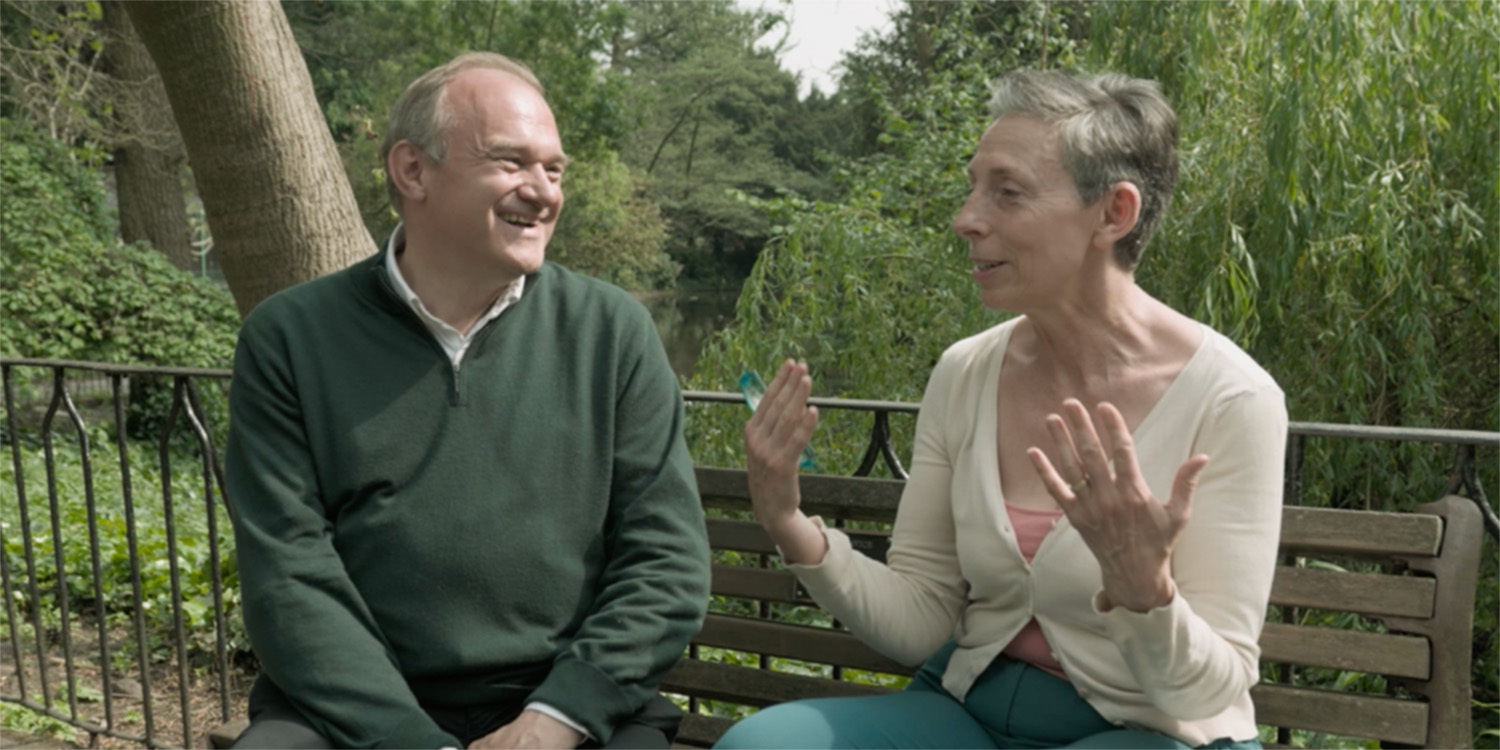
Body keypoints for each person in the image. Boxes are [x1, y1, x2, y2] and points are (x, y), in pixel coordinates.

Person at [718, 70, 1287, 749]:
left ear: (1114, 213)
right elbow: (922, 617)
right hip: (970, 714)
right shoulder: (965, 372)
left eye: (1007, 192)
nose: (966, 218)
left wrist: (1146, 591)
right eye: (973, 186)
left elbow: (1209, 692)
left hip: (1153, 730)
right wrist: (786, 519)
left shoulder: (1232, 398)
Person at [224, 52, 710, 749]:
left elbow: (666, 560)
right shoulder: (290, 339)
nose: (542, 191)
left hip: (567, 706)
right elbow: (289, 578)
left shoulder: (612, 332)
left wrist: (556, 719)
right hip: (357, 716)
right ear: (412, 171)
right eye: (511, 161)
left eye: (554, 168)